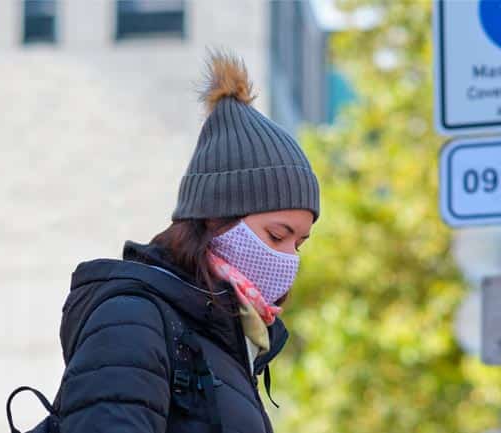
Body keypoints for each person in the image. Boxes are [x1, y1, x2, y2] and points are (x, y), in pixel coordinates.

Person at [56, 52, 319, 433]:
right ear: (215, 217)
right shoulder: (132, 318)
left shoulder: (228, 342)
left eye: (300, 242)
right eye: (277, 235)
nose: (288, 258)